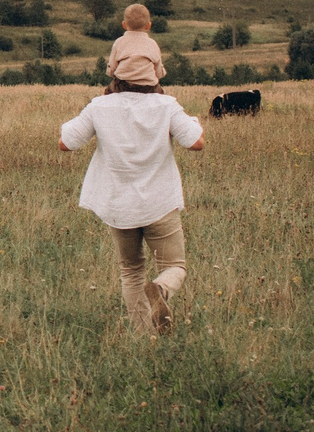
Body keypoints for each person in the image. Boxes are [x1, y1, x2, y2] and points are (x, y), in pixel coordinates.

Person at [58, 66, 205, 333]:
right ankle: (161, 288)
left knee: (131, 270)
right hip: (160, 204)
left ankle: (144, 336)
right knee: (174, 266)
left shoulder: (99, 106)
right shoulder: (167, 105)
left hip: (119, 207)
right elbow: (196, 142)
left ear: (115, 78)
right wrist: (191, 122)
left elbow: (66, 143)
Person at [108, 3, 166, 87]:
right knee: (161, 96)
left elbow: (112, 68)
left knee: (108, 93)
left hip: (122, 85)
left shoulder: (119, 42)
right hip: (148, 86)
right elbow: (158, 71)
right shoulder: (152, 44)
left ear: (124, 25)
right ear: (148, 26)